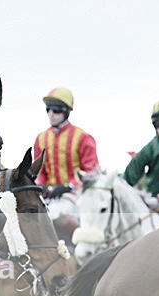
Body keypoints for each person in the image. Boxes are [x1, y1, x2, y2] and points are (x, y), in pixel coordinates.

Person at [32, 87, 99, 237]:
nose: (51, 113)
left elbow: (91, 172)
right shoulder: (41, 138)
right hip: (50, 195)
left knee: (55, 214)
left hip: (77, 194)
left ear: (67, 111)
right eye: (48, 109)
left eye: (55, 110)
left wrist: (68, 186)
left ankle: (83, 243)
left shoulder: (83, 138)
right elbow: (39, 171)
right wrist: (40, 186)